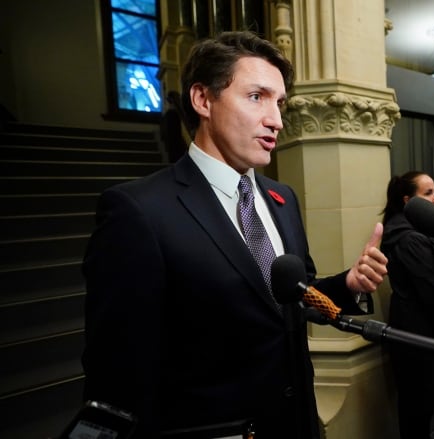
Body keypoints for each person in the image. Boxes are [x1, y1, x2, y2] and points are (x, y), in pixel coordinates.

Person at [81, 31, 389, 438]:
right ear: (203, 100)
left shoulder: (283, 198)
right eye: (256, 96)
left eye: (280, 103)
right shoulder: (138, 211)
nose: (277, 120)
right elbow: (117, 370)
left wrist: (348, 284)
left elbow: (290, 298)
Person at [380, 171, 434, 439]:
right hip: (417, 330)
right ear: (409, 201)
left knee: (418, 404)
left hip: (417, 326)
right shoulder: (409, 238)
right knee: (417, 405)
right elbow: (428, 285)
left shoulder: (412, 229)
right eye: (428, 193)